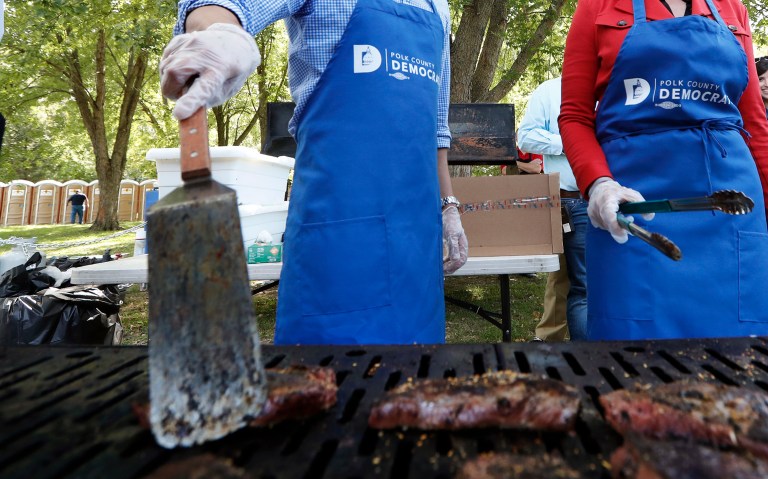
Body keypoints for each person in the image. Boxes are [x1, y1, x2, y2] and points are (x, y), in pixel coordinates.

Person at [160, 1, 468, 345]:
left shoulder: (439, 8)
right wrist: (219, 34)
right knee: (327, 369)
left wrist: (449, 205)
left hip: (417, 240)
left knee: (419, 368)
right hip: (339, 236)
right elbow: (228, 5)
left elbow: (437, 129)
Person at [559, 0, 768, 340]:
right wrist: (598, 183)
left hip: (731, 211)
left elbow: (755, 125)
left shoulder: (732, 9)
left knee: (738, 356)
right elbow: (574, 115)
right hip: (632, 209)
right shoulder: (597, 6)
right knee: (629, 354)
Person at [518, 76, 588, 341]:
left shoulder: (616, 84)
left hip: (618, 198)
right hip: (569, 199)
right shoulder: (549, 90)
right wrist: (571, 143)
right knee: (570, 280)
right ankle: (551, 339)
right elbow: (525, 137)